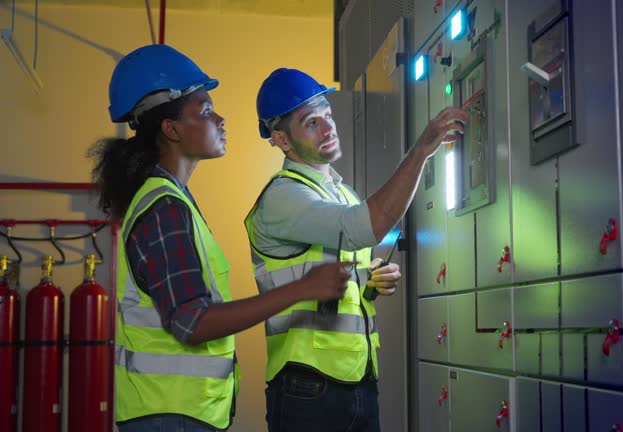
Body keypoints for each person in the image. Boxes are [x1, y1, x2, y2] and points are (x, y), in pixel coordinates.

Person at [89, 45, 353, 432]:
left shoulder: (172, 200)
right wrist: (302, 289)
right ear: (172, 128)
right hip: (171, 417)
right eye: (206, 110)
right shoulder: (164, 208)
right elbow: (193, 323)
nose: (222, 120)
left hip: (178, 413)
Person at [246, 68, 468, 431]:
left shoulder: (341, 193)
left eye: (328, 115)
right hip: (308, 386)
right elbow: (367, 224)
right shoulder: (283, 196)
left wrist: (370, 280)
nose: (328, 127)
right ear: (282, 140)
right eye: (311, 122)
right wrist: (421, 150)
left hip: (358, 378)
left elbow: (340, 274)